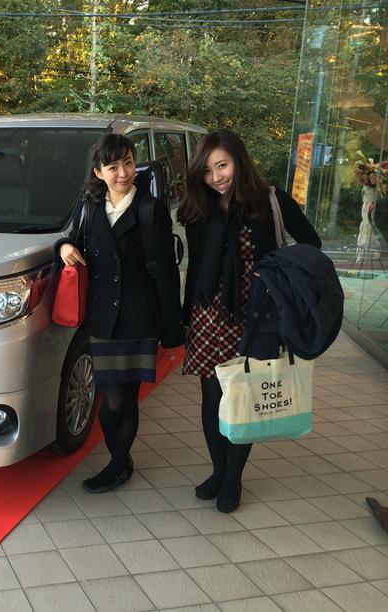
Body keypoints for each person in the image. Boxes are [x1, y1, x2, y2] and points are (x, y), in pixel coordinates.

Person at [178, 130, 320, 512]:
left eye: (222, 166)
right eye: (207, 171)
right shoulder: (201, 207)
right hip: (209, 315)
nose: (216, 178)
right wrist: (186, 318)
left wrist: (275, 272)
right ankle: (218, 470)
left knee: (244, 396)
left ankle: (233, 478)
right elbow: (197, 266)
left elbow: (311, 243)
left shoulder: (270, 201)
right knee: (212, 397)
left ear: (238, 160)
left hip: (255, 316)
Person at [58, 134, 184, 493]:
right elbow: (71, 239)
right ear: (99, 172)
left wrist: (172, 331)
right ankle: (120, 461)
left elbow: (165, 272)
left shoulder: (149, 209)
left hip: (138, 318)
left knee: (124, 398)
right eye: (113, 166)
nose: (123, 172)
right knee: (110, 400)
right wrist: (64, 246)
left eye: (128, 163)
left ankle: (117, 465)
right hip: (101, 319)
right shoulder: (89, 206)